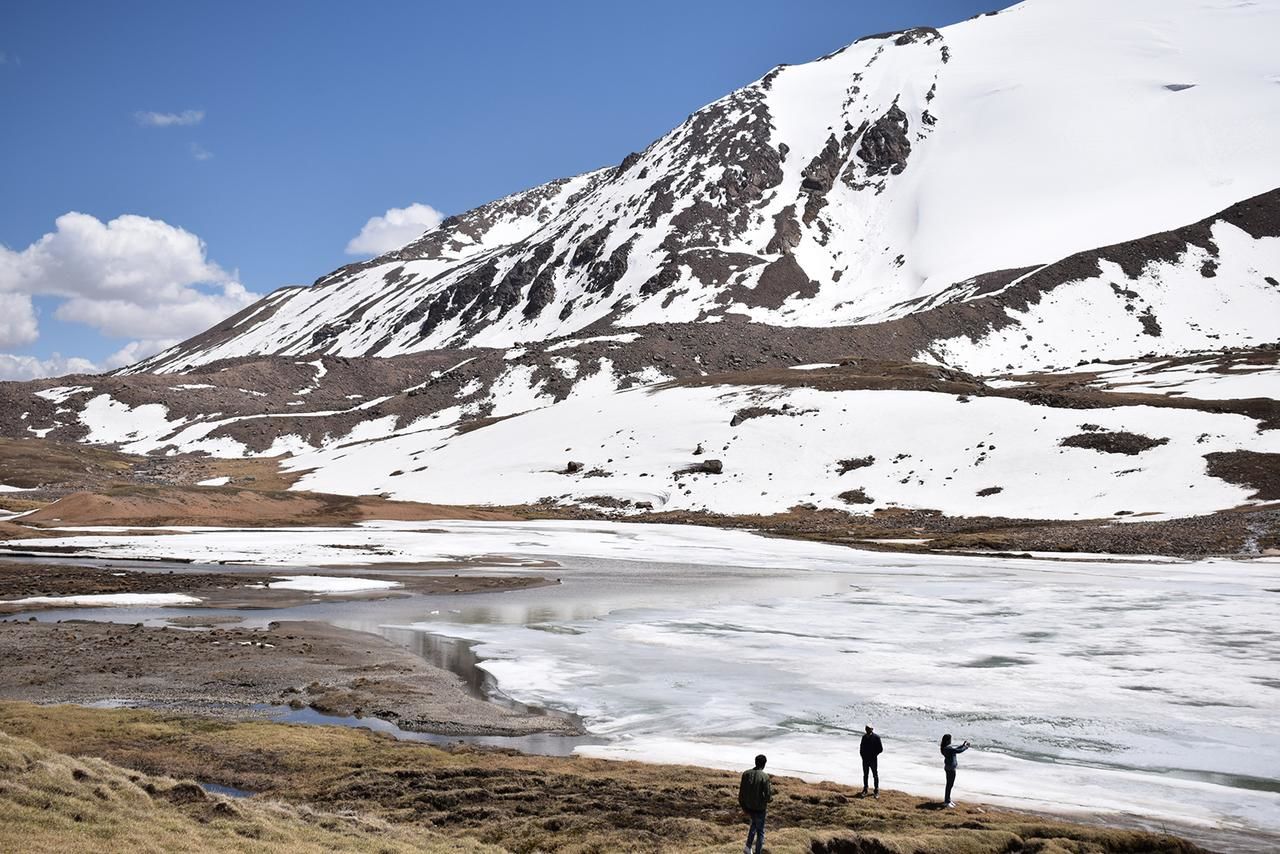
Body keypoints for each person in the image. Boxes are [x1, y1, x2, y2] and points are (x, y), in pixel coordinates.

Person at [738, 753, 773, 854]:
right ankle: (757, 852)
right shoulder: (764, 777)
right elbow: (767, 796)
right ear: (764, 764)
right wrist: (770, 799)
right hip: (759, 808)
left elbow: (741, 792)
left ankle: (748, 847)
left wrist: (743, 806)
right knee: (760, 832)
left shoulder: (746, 774)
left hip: (748, 807)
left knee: (753, 825)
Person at [940, 733, 970, 807]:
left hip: (949, 768)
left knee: (949, 785)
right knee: (949, 785)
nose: (951, 740)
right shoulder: (948, 748)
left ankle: (948, 800)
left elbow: (956, 749)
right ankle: (947, 801)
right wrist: (966, 747)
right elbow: (958, 751)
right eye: (950, 739)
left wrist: (963, 745)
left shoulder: (946, 748)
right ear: (947, 740)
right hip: (950, 769)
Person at [859, 724, 883, 797]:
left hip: (873, 760)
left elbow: (880, 749)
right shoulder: (864, 737)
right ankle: (865, 789)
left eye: (869, 728)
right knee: (865, 775)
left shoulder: (876, 737)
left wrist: (873, 754)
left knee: (875, 775)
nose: (867, 730)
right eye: (866, 728)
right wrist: (863, 756)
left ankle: (876, 790)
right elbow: (861, 748)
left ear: (872, 729)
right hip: (865, 760)